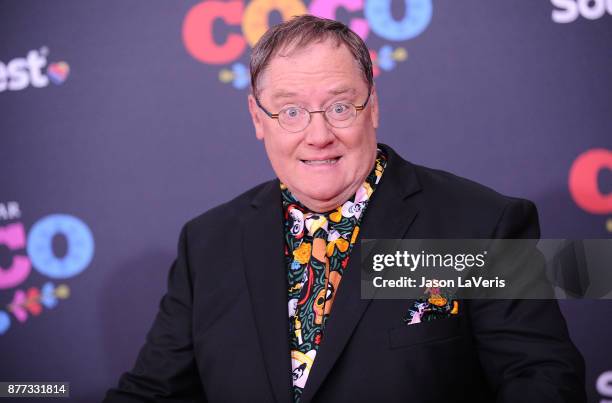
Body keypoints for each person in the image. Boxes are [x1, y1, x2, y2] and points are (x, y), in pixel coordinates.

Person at [103, 15, 586, 403]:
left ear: (372, 105)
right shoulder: (209, 243)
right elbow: (155, 391)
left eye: (340, 107)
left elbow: (541, 378)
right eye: (290, 111)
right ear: (257, 117)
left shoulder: (481, 224)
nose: (318, 135)